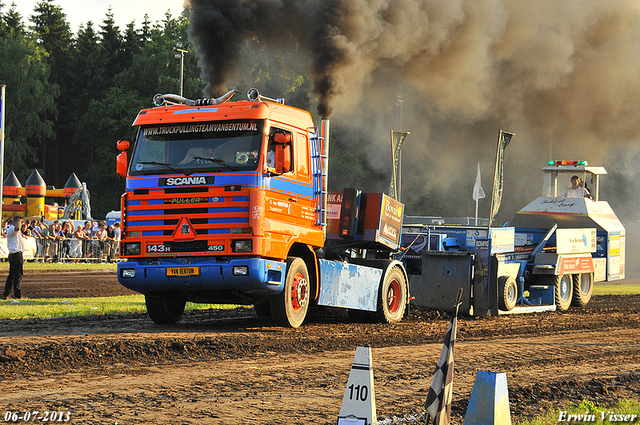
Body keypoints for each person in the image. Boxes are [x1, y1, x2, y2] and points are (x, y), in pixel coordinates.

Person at [3, 216, 28, 300]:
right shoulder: (12, 229)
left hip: (13, 254)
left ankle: (7, 293)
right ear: (15, 222)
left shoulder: (11, 229)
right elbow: (17, 228)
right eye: (21, 222)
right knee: (18, 275)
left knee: (12, 276)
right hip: (16, 254)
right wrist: (19, 222)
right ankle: (18, 295)